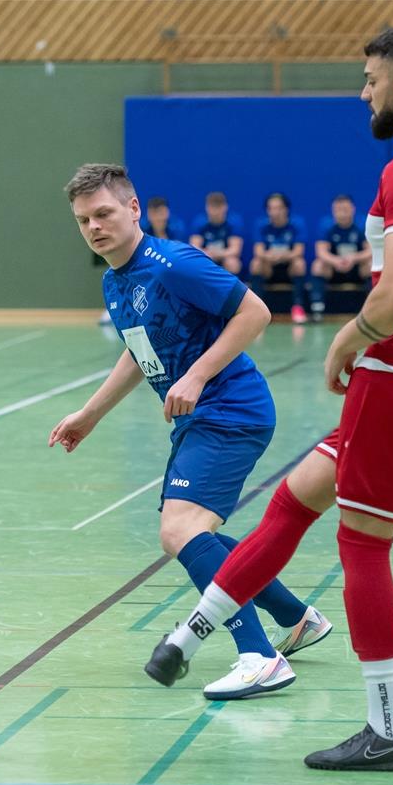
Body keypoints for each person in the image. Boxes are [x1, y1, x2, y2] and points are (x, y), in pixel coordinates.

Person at [145, 25, 393, 771]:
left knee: (363, 547)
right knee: (297, 496)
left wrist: (349, 340)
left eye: (371, 78)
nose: (364, 91)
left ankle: (389, 729)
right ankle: (189, 635)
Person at [51, 163, 332, 701]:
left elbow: (256, 312)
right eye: (84, 219)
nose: (94, 226)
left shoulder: (172, 263)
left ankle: (258, 656)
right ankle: (296, 619)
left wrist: (198, 375)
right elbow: (140, 351)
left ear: (134, 210)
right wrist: (91, 414)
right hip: (200, 418)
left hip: (231, 409)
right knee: (196, 532)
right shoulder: (116, 279)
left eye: (104, 213)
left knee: (179, 531)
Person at [310, 194, 372, 322]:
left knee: (370, 265)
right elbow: (321, 252)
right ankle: (317, 309)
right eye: (338, 210)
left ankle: (372, 310)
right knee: (318, 265)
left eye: (345, 210)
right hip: (335, 268)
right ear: (333, 211)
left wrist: (353, 258)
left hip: (356, 268)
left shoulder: (362, 224)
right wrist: (336, 261)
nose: (342, 214)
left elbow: (370, 250)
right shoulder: (326, 225)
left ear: (352, 209)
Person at [250, 193, 309, 324]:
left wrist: (282, 255)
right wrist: (269, 256)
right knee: (256, 264)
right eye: (271, 208)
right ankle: (257, 310)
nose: (275, 212)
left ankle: (298, 308)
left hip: (288, 267)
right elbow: (258, 252)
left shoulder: (296, 224)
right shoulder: (261, 225)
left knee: (299, 264)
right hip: (269, 267)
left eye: (278, 208)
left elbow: (299, 251)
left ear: (286, 209)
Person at [189, 192, 244, 275]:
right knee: (193, 263)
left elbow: (235, 250)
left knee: (233, 263)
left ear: (225, 207)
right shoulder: (199, 222)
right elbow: (194, 247)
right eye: (212, 207)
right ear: (206, 207)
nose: (215, 211)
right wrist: (207, 254)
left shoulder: (234, 222)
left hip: (224, 257)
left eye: (218, 207)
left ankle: (232, 287)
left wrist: (217, 254)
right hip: (206, 257)